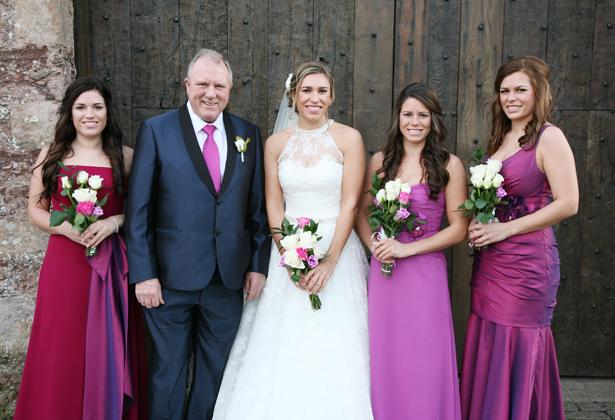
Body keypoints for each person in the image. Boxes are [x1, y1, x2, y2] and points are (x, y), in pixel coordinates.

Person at [212, 62, 374, 419]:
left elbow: (350, 203)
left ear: (331, 96)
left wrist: (330, 259)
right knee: (283, 340)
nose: (314, 99)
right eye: (306, 91)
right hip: (288, 245)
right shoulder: (275, 143)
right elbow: (273, 202)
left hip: (337, 246)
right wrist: (287, 252)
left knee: (335, 337)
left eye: (321, 91)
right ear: (294, 96)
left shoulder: (349, 139)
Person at [124, 49, 270, 420]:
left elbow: (256, 210)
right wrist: (143, 273)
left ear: (230, 89)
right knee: (167, 371)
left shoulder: (247, 135)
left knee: (216, 371)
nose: (210, 92)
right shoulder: (157, 130)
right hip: (168, 280)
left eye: (219, 85)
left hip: (227, 278)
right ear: (187, 85)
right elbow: (138, 209)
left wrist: (257, 265)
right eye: (202, 83)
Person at [15, 78, 147, 420]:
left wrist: (112, 222)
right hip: (65, 263)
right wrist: (68, 229)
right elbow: (35, 211)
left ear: (108, 113)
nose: (90, 114)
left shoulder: (127, 157)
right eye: (81, 107)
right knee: (61, 344)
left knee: (107, 343)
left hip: (111, 264)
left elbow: (141, 211)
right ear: (70, 113)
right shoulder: (53, 155)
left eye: (97, 107)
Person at [460, 56, 578, 420]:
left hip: (527, 264)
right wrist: (480, 226)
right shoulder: (504, 136)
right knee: (489, 337)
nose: (511, 97)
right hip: (492, 262)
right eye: (504, 90)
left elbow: (569, 203)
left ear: (537, 93)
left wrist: (505, 228)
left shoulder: (549, 136)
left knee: (519, 340)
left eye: (519, 90)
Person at [355, 83, 468, 419]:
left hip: (425, 273)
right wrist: (375, 245)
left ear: (433, 119)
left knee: (424, 354)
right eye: (408, 114)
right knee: (386, 352)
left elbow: (459, 228)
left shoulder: (450, 165)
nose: (415, 121)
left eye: (423, 114)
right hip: (385, 271)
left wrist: (407, 250)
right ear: (398, 117)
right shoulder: (380, 161)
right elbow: (361, 213)